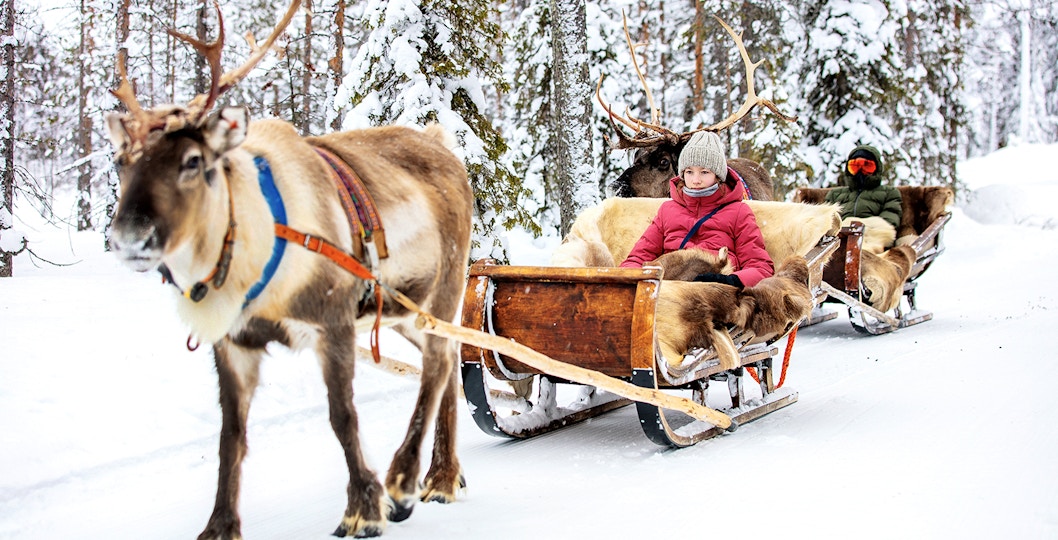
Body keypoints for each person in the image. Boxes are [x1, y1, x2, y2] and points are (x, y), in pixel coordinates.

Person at [619, 131, 773, 288]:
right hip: (670, 290)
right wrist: (626, 281)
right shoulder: (667, 211)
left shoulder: (739, 212)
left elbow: (761, 268)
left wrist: (731, 281)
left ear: (718, 175)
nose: (696, 180)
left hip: (716, 293)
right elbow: (638, 258)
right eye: (689, 172)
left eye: (704, 172)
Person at [825, 145, 903, 236]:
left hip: (873, 237)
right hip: (839, 238)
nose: (860, 171)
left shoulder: (889, 193)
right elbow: (826, 220)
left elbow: (889, 221)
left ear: (877, 169)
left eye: (867, 166)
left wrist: (858, 226)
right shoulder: (835, 194)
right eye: (855, 166)